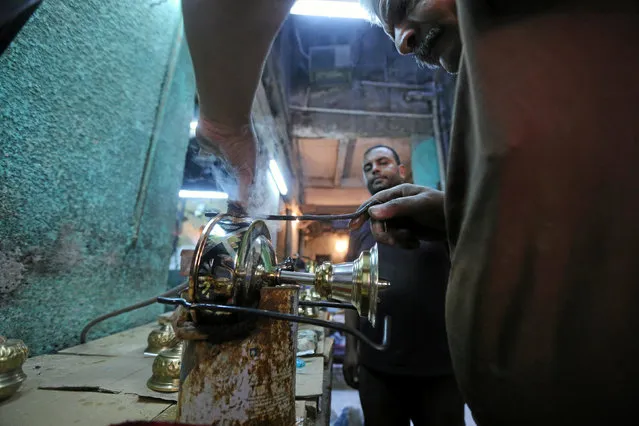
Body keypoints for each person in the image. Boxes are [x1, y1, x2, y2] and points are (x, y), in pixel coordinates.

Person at [180, 0, 639, 424]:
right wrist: (452, 216)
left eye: (403, 1)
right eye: (366, 166)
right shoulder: (378, 220)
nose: (401, 42)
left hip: (452, 372)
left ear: (399, 165)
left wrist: (224, 125)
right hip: (396, 367)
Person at [344, 144, 464, 426]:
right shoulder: (360, 228)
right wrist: (351, 349)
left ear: (401, 171)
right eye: (368, 167)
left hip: (439, 367)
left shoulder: (434, 216)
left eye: (382, 162)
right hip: (378, 366)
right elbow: (351, 289)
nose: (374, 169)